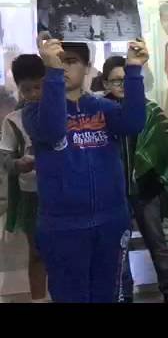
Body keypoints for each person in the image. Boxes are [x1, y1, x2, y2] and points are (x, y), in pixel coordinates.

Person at [23, 32, 147, 303]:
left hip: (111, 221)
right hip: (62, 226)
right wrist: (53, 74)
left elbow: (134, 122)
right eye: (59, 60)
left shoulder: (104, 107)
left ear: (87, 67)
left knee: (110, 296)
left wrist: (134, 69)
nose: (64, 66)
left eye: (71, 61)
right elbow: (54, 130)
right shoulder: (33, 112)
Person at [102, 56, 168, 304]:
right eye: (115, 80)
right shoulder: (100, 113)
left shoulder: (150, 110)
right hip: (113, 193)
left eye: (126, 80)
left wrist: (157, 181)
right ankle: (124, 293)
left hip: (145, 190)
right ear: (105, 83)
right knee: (120, 247)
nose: (121, 85)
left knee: (157, 241)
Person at [0, 54, 48, 302]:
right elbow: (5, 158)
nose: (33, 94)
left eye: (38, 87)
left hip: (62, 192)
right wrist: (18, 164)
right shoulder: (13, 120)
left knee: (64, 250)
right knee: (37, 252)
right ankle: (38, 299)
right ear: (18, 88)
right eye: (26, 89)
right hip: (31, 194)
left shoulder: (59, 112)